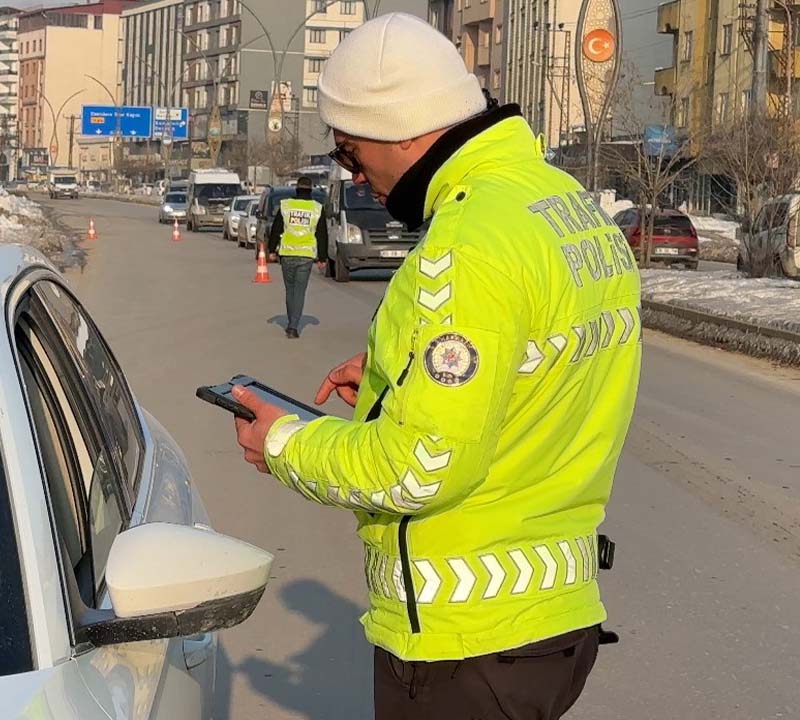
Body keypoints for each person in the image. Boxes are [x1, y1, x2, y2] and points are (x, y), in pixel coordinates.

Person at [229, 13, 640, 720]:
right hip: (550, 623)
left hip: (465, 647)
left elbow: (418, 465)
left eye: (353, 153)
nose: (358, 175)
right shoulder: (562, 206)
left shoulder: (468, 242)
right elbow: (538, 365)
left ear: (404, 130)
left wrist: (285, 441)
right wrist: (404, 379)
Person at [266, 176, 329, 339]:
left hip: (287, 254)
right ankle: (293, 326)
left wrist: (271, 250)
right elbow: (322, 234)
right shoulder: (317, 208)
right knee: (300, 292)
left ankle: (290, 322)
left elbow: (276, 228)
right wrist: (323, 258)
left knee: (290, 290)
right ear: (311, 190)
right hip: (305, 256)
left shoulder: (286, 206)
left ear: (296, 189)